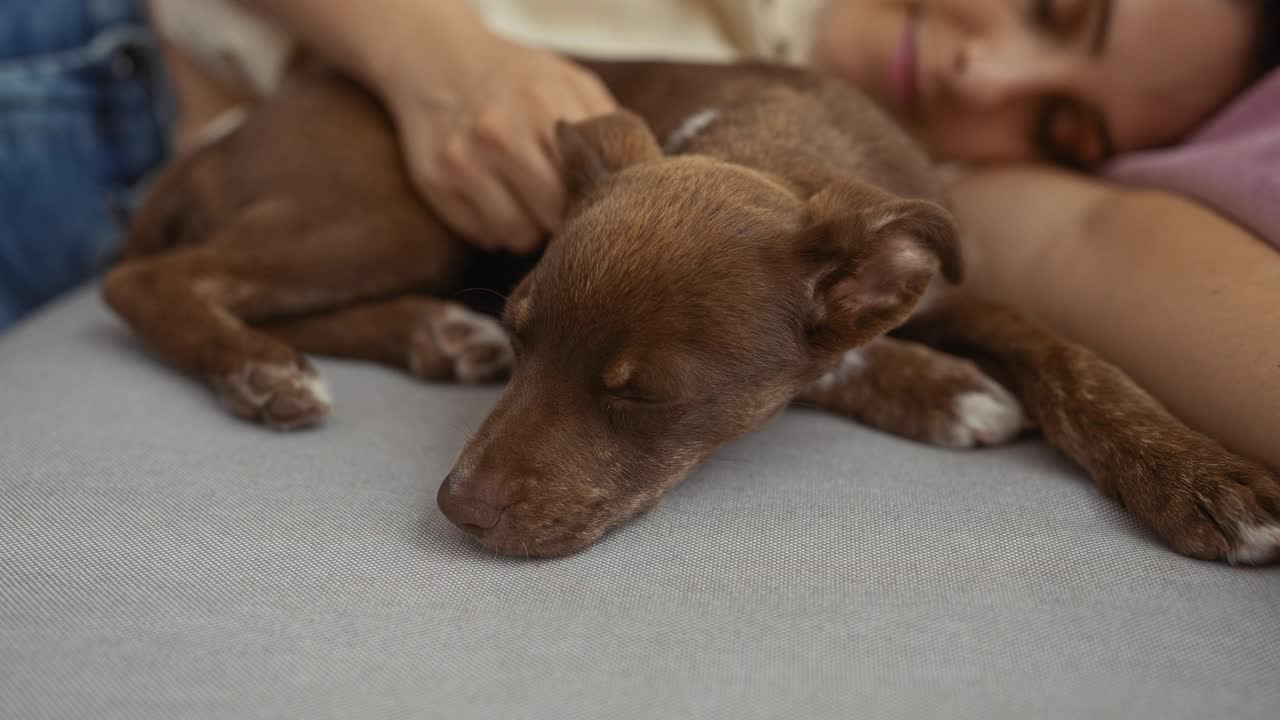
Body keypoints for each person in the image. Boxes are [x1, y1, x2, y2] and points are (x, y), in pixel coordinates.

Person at [3, 0, 1277, 469]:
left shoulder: (841, 198)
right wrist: (429, 53)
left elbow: (1104, 250)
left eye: (1058, 126)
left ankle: (320, 313)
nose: (987, 75)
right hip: (92, 56)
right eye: (1055, 8)